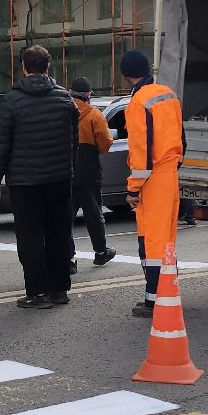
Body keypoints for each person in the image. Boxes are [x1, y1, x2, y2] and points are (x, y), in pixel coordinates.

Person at [0, 45, 79, 308]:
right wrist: (68, 169)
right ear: (48, 67)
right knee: (59, 233)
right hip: (59, 178)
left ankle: (37, 293)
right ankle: (59, 290)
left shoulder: (11, 101)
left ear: (24, 68)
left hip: (24, 182)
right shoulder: (65, 99)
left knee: (30, 237)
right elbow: (74, 142)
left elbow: (1, 145)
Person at [120, 49, 185, 318]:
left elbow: (141, 152)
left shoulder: (138, 103)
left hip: (153, 178)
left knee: (152, 242)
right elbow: (181, 138)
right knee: (167, 240)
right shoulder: (168, 95)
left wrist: (133, 187)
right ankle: (167, 294)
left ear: (126, 75)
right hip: (169, 174)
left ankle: (154, 301)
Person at [68, 77, 117, 272]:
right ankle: (101, 251)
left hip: (65, 172)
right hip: (89, 172)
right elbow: (104, 145)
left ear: (70, 92)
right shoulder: (95, 115)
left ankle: (68, 259)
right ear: (88, 94)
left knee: (65, 218)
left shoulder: (61, 113)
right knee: (94, 214)